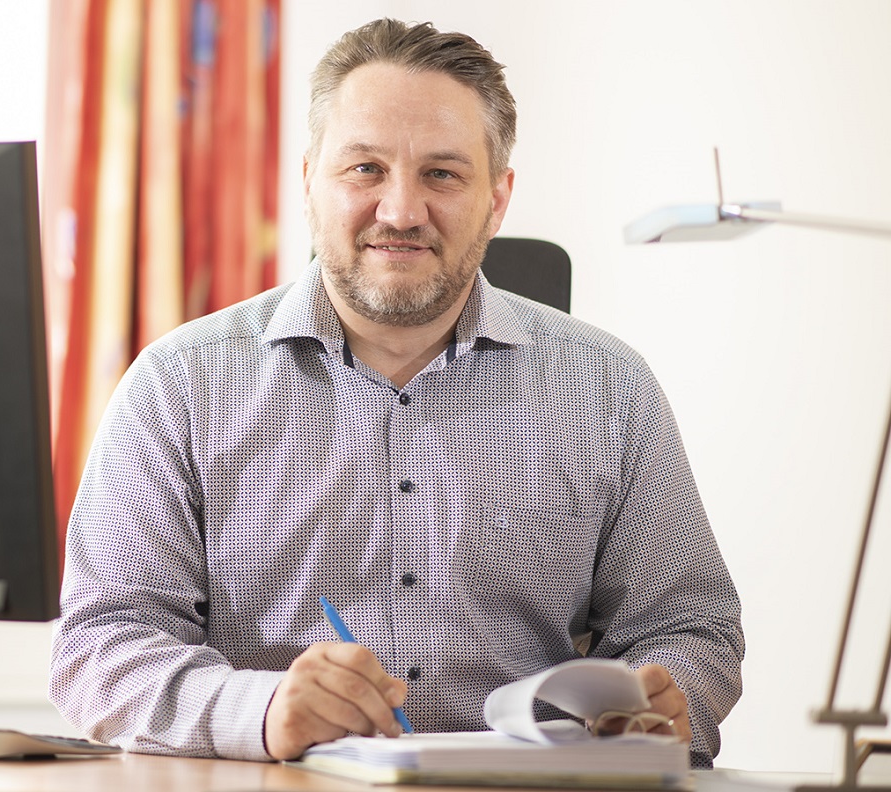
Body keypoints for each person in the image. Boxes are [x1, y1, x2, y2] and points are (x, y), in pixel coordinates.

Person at [50, 17, 744, 769]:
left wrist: (669, 701)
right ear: (310, 180)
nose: (402, 211)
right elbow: (99, 647)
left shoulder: (611, 392)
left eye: (442, 173)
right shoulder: (179, 386)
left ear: (499, 197)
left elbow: (691, 626)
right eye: (366, 170)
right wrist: (263, 708)